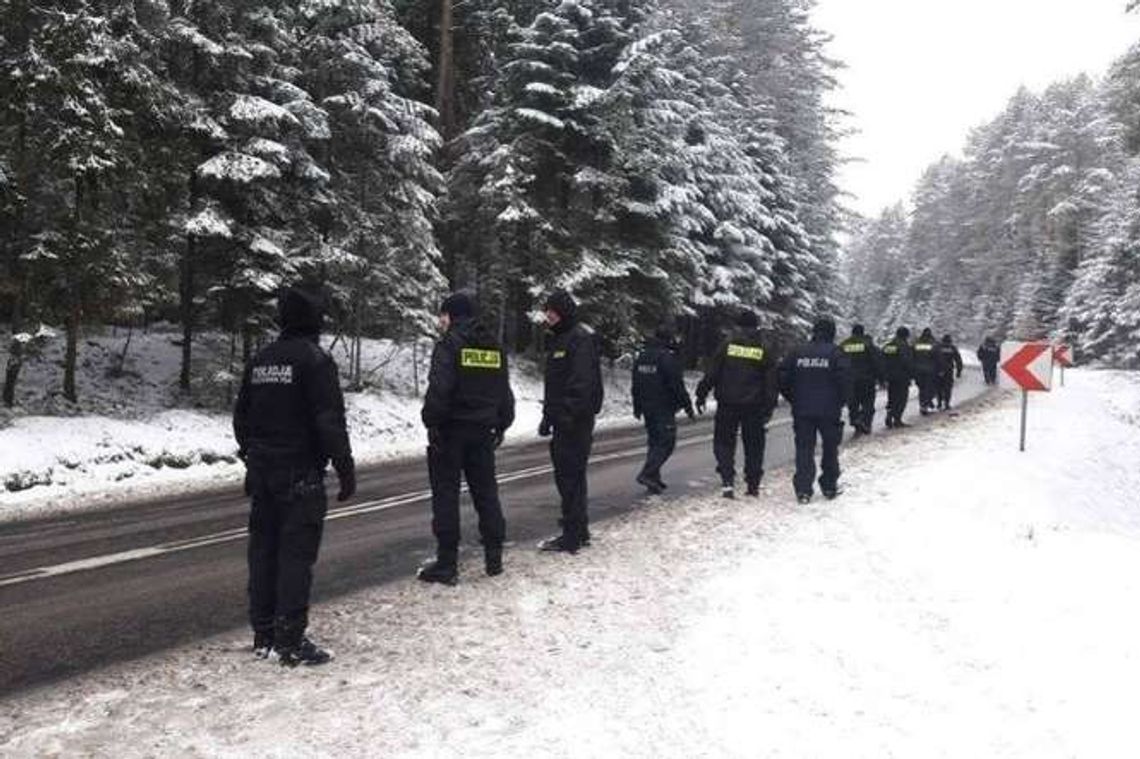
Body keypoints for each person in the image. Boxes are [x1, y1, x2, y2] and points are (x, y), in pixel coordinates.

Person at [233, 286, 356, 667]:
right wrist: (344, 466)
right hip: (300, 474)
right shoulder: (315, 361)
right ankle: (289, 639)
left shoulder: (261, 360)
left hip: (262, 472)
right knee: (295, 556)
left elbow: (241, 418)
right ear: (313, 320)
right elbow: (329, 420)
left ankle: (263, 633)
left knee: (263, 552)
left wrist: (254, 452)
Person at [418, 292, 515, 585]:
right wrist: (502, 424)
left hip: (451, 431)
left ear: (452, 315)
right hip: (483, 432)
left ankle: (447, 564)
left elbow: (440, 388)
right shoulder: (493, 347)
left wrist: (431, 421)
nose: (441, 321)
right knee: (486, 494)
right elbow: (504, 391)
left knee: (446, 496)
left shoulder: (450, 345)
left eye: (443, 315)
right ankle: (494, 557)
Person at [538, 290, 603, 553]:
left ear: (563, 311)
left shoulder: (579, 339)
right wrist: (548, 417)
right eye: (547, 311)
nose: (548, 316)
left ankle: (572, 534)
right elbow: (555, 385)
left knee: (570, 477)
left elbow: (582, 383)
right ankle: (578, 528)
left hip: (576, 421)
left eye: (552, 311)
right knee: (568, 477)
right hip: (563, 420)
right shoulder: (559, 340)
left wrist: (567, 414)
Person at [695, 310, 777, 499]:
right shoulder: (763, 348)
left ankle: (727, 480)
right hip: (754, 406)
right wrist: (769, 407)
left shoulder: (727, 345)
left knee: (723, 442)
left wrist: (701, 394)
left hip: (727, 403)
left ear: (738, 326)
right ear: (756, 327)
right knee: (754, 446)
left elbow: (712, 372)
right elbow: (771, 381)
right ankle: (753, 485)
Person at [778, 317, 850, 504]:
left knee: (804, 449)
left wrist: (794, 398)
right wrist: (841, 401)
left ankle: (803, 489)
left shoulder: (797, 352)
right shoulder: (836, 353)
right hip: (829, 410)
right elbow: (845, 380)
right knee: (830, 448)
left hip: (802, 409)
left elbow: (783, 377)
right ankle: (829, 485)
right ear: (832, 333)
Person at [632, 324, 695, 495]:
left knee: (654, 442)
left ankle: (653, 478)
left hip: (647, 407)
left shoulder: (642, 357)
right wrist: (687, 406)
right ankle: (647, 473)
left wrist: (637, 406)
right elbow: (676, 385)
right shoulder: (666, 358)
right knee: (666, 443)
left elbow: (636, 383)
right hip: (663, 407)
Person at [838, 323, 880, 435]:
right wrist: (880, 377)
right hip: (866, 379)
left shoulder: (843, 345)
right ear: (862, 332)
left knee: (853, 402)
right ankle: (864, 421)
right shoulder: (867, 344)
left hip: (849, 380)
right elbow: (876, 361)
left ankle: (855, 419)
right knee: (868, 402)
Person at [879, 327, 914, 428]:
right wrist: (911, 373)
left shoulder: (888, 346)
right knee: (901, 398)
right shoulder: (904, 346)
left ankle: (889, 414)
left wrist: (883, 375)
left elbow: (881, 360)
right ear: (905, 335)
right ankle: (897, 419)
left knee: (892, 397)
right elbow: (906, 361)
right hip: (902, 376)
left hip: (890, 376)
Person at [934, 333, 964, 411]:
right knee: (948, 387)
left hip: (938, 370)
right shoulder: (952, 348)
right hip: (948, 370)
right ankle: (946, 403)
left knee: (939, 387)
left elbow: (932, 358)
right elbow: (958, 360)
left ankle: (939, 403)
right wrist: (959, 371)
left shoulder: (937, 347)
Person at [912, 327, 938, 415]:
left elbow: (912, 356)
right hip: (930, 370)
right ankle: (926, 403)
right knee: (930, 388)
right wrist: (940, 369)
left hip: (918, 370)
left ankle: (923, 404)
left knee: (922, 389)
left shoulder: (916, 344)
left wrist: (912, 370)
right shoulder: (933, 344)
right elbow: (938, 357)